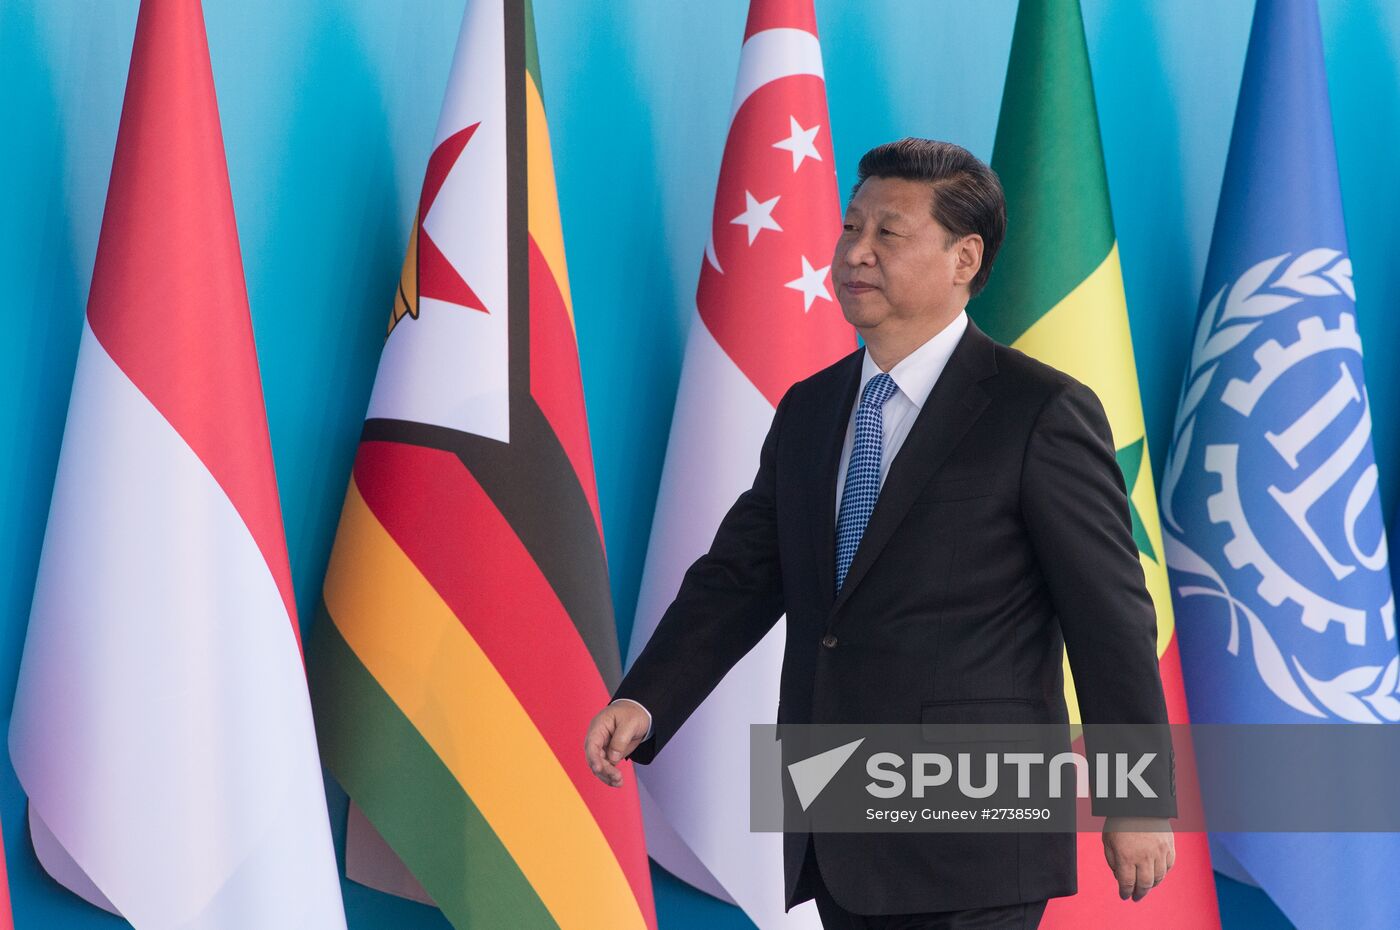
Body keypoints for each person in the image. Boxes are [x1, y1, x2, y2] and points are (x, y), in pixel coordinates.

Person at [584, 138, 1175, 929]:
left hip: (973, 836)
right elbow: (741, 576)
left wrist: (1137, 795)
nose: (856, 253)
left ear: (965, 258)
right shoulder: (811, 408)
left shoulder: (1038, 412)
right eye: (850, 228)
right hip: (836, 814)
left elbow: (1110, 618)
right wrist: (647, 697)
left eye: (888, 233)